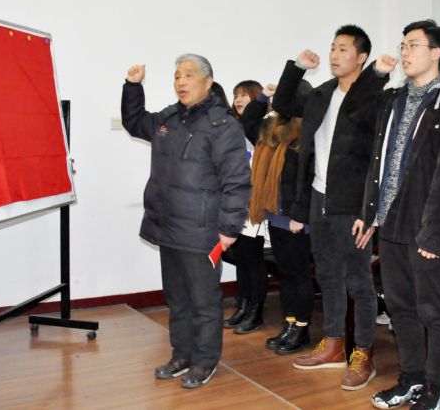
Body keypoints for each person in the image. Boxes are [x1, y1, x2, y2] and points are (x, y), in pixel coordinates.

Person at [354, 20, 440, 410]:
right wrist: (370, 213)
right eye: (403, 45)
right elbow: (373, 155)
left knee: (435, 313)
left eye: (413, 45)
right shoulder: (393, 98)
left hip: (426, 228)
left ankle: (437, 390)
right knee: (401, 308)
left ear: (436, 53)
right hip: (391, 221)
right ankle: (411, 379)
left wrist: (437, 233)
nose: (405, 52)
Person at [121, 54, 252, 389]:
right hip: (168, 225)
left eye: (189, 75)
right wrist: (133, 87)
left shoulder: (223, 126)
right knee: (177, 299)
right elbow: (134, 122)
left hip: (202, 229)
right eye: (178, 76)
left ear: (208, 82)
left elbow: (237, 180)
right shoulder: (169, 119)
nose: (181, 81)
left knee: (203, 302)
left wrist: (230, 228)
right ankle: (181, 355)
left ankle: (205, 361)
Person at [272, 25, 387, 390]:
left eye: (344, 49)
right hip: (319, 196)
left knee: (359, 281)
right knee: (328, 275)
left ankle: (363, 353)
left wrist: (369, 211)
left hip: (352, 202)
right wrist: (297, 67)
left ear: (362, 58)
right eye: (333, 48)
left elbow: (379, 156)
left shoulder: (373, 98)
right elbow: (282, 103)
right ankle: (334, 345)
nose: (335, 55)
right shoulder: (322, 93)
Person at [245, 80, 316, 355]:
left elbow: (308, 178)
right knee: (285, 272)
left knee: (298, 273)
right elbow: (248, 120)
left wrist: (299, 215)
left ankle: (302, 329)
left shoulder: (307, 133)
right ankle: (290, 324)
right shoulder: (271, 130)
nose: (280, 102)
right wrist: (263, 96)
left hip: (296, 216)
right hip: (276, 214)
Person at [223, 80, 268, 335]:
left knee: (252, 257)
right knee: (240, 257)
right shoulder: (232, 125)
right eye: (236, 95)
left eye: (244, 95)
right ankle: (243, 305)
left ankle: (255, 311)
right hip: (235, 200)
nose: (239, 100)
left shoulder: (264, 125)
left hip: (255, 201)